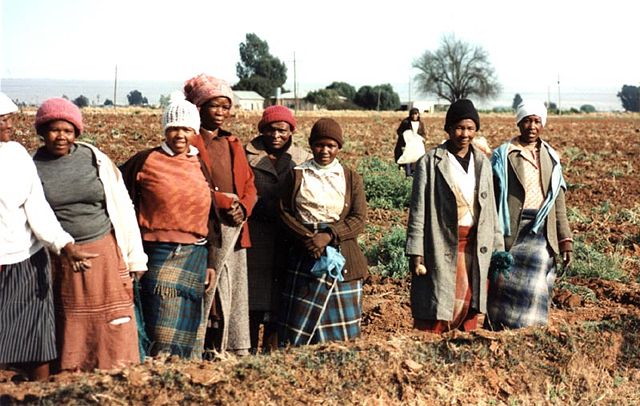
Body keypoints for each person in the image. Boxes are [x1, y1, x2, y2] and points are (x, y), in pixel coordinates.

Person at [32, 98, 147, 372]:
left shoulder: (95, 158)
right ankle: (72, 376)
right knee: (70, 318)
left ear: (77, 133)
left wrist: (135, 257)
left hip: (104, 252)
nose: (61, 136)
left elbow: (122, 205)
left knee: (113, 320)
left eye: (68, 130)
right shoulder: (31, 165)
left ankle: (114, 374)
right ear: (42, 131)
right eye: (53, 129)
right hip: (60, 259)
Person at [0, 93, 93, 380]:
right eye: (1, 120)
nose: (8, 125)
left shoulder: (15, 155)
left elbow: (36, 206)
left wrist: (64, 244)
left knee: (35, 340)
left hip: (25, 260)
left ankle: (40, 396)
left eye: (9, 118)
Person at [120, 94, 217, 358]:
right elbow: (118, 197)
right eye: (173, 128)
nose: (180, 135)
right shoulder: (145, 160)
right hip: (158, 255)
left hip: (195, 257)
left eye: (186, 129)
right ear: (164, 129)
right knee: (160, 327)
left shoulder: (200, 164)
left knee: (190, 328)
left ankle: (182, 379)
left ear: (195, 131)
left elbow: (210, 215)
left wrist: (210, 262)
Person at [405, 99, 504, 333]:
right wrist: (416, 251)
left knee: (470, 302)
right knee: (439, 303)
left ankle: (462, 352)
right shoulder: (430, 162)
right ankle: (431, 351)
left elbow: (491, 211)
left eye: (470, 128)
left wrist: (497, 249)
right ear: (448, 129)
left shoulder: (483, 163)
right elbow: (418, 210)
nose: (464, 134)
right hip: (441, 244)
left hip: (476, 244)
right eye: (459, 128)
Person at [183, 73, 257, 355]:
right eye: (215, 105)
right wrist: (223, 202)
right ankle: (198, 352)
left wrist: (244, 207)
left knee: (232, 292)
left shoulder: (232, 143)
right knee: (207, 292)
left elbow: (249, 184)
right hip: (205, 229)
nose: (221, 112)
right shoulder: (188, 141)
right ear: (199, 107)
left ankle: (232, 350)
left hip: (235, 228)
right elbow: (190, 183)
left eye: (226, 106)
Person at [278, 118, 368, 346]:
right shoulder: (297, 175)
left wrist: (328, 235)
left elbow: (358, 219)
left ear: (339, 147)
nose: (325, 151)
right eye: (319, 145)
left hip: (342, 258)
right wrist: (308, 239)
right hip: (305, 255)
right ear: (311, 145)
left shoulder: (350, 177)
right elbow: (284, 212)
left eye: (331, 146)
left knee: (342, 336)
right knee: (300, 332)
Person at [485, 101, 573, 330]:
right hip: (511, 230)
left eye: (536, 121)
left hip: (542, 230)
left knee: (537, 280)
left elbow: (558, 202)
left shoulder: (551, 157)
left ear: (542, 123)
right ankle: (499, 328)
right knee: (504, 278)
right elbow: (492, 198)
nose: (531, 126)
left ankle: (532, 331)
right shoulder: (504, 155)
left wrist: (565, 241)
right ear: (519, 123)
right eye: (527, 120)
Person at [245, 105, 311, 352]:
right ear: (262, 130)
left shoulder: (302, 158)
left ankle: (273, 356)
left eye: (282, 130)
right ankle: (247, 353)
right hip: (255, 238)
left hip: (288, 237)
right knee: (252, 301)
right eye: (270, 130)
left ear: (291, 131)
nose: (276, 136)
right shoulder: (245, 155)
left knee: (280, 303)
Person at [394, 107, 426, 176]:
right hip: (407, 144)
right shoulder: (406, 122)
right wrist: (405, 137)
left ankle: (414, 173)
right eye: (413, 114)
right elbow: (399, 131)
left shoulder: (420, 124)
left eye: (416, 114)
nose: (414, 116)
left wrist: (423, 139)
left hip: (417, 145)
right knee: (407, 158)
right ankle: (408, 174)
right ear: (410, 115)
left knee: (417, 158)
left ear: (418, 115)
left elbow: (423, 133)